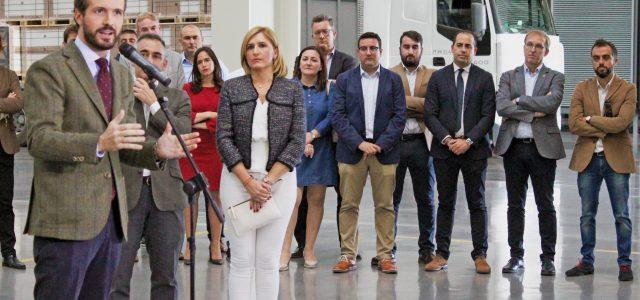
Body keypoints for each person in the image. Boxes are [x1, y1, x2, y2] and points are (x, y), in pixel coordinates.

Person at [22, 1, 199, 299]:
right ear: (78, 15)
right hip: (67, 221)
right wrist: (97, 143)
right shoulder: (48, 70)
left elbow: (124, 141)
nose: (109, 20)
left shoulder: (119, 74)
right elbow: (39, 139)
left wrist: (157, 149)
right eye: (99, 10)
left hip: (111, 222)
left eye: (116, 12)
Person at [216, 26, 304, 300]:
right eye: (250, 46)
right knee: (241, 260)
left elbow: (297, 141)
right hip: (237, 181)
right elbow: (223, 137)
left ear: (275, 52)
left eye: (262, 45)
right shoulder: (232, 88)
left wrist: (264, 184)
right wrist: (249, 182)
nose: (255, 51)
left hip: (278, 183)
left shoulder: (292, 90)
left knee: (267, 261)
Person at [110, 33, 192, 299]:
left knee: (166, 278)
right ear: (132, 60)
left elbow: (183, 135)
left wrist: (153, 104)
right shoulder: (117, 95)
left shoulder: (178, 98)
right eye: (143, 54)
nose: (149, 60)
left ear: (165, 64)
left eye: (156, 56)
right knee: (116, 276)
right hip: (126, 193)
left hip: (166, 194)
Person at [330, 32, 406, 274]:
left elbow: (399, 117)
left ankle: (385, 256)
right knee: (348, 205)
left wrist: (380, 144)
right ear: (358, 52)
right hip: (353, 152)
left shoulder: (393, 80)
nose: (368, 52)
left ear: (380, 51)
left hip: (384, 152)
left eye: (373, 48)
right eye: (363, 48)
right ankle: (348, 254)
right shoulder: (344, 79)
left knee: (385, 206)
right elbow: (338, 116)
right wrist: (359, 143)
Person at [423, 30, 495, 274]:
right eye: (460, 45)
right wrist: (447, 139)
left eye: (469, 46)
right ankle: (441, 254)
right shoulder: (438, 78)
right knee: (446, 203)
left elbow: (488, 116)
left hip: (474, 151)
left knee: (477, 203)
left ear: (474, 50)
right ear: (452, 48)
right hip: (445, 151)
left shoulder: (485, 78)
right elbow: (429, 114)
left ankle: (480, 255)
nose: (463, 49)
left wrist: (469, 140)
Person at [494, 30, 565, 276]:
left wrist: (520, 100)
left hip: (542, 149)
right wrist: (533, 110)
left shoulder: (556, 77)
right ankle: (516, 257)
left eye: (539, 46)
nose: (533, 50)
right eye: (529, 45)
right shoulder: (508, 76)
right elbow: (502, 106)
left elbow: (552, 103)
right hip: (513, 148)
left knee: (546, 205)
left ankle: (548, 258)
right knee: (515, 205)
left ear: (547, 50)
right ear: (523, 47)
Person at [565, 39, 637, 282]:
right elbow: (573, 124)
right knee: (587, 215)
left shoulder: (628, 89)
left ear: (615, 60)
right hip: (588, 160)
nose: (601, 62)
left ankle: (625, 263)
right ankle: (586, 261)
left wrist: (591, 119)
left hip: (616, 159)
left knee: (622, 215)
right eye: (597, 58)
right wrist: (605, 124)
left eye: (606, 58)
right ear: (592, 61)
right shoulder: (581, 88)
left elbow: (622, 123)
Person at [293, 14, 356, 258]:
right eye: (317, 32)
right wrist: (304, 138)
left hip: (336, 141)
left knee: (342, 196)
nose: (322, 35)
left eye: (326, 31)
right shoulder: (305, 59)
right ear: (312, 35)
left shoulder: (347, 61)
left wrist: (314, 134)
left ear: (334, 33)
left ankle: (346, 248)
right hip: (304, 141)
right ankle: (302, 245)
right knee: (301, 199)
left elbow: (346, 97)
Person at [279, 46, 337, 270]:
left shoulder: (329, 89)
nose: (309, 62)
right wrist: (301, 141)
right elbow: (284, 116)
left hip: (320, 149)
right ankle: (285, 248)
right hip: (294, 149)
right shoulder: (288, 87)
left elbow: (332, 116)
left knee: (316, 200)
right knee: (293, 200)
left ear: (321, 65)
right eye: (305, 59)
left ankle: (309, 249)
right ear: (299, 62)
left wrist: (312, 135)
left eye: (314, 59)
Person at [389, 30, 436, 265]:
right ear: (400, 48)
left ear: (421, 49)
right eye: (406, 46)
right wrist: (420, 105)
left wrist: (403, 103)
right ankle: (388, 248)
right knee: (390, 199)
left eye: (414, 47)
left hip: (422, 143)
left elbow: (434, 107)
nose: (410, 51)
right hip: (394, 145)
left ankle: (427, 248)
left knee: (426, 199)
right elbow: (386, 106)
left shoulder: (432, 75)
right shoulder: (388, 74)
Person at [180, 46, 226, 264]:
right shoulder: (187, 89)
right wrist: (209, 115)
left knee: (215, 196)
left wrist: (202, 122)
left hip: (216, 150)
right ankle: (189, 244)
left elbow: (226, 120)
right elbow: (182, 117)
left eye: (208, 59)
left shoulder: (225, 90)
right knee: (191, 198)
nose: (204, 64)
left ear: (214, 62)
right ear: (196, 67)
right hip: (191, 149)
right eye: (200, 62)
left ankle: (215, 244)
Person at [0, 34, 25, 270]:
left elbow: (18, 103)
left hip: (3, 147)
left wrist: (9, 102)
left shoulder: (9, 76)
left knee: (5, 202)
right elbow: (9, 102)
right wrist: (3, 101)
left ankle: (8, 252)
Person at [136, 12, 185, 89]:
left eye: (153, 28)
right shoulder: (127, 58)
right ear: (137, 33)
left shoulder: (176, 58)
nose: (150, 32)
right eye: (144, 29)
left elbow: (180, 92)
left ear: (159, 29)